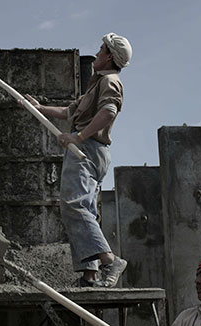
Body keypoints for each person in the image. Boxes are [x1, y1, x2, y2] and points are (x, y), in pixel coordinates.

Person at [22, 33, 132, 287]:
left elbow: (108, 113)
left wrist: (78, 137)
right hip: (93, 149)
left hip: (88, 149)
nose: (96, 53)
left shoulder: (110, 82)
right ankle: (89, 275)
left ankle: (109, 260)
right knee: (85, 208)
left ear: (109, 56)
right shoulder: (97, 84)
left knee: (74, 204)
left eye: (101, 49)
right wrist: (37, 108)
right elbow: (68, 112)